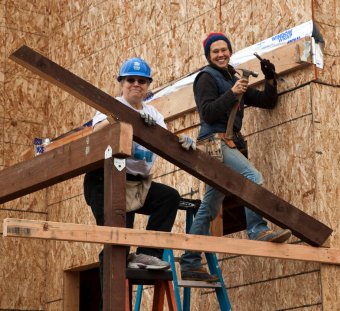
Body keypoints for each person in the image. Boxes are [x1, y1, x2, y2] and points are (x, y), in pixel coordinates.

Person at [180, 32, 292, 282]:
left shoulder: (232, 76)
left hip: (227, 144)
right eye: (215, 51)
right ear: (208, 56)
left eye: (224, 50)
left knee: (209, 206)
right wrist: (232, 93)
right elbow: (208, 114)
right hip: (213, 144)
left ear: (230, 51)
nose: (221, 54)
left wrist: (270, 77)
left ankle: (189, 262)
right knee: (253, 177)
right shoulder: (206, 78)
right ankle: (257, 229)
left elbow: (267, 102)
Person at [83, 58, 180, 293]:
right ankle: (110, 304)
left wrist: (180, 142)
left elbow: (167, 144)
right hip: (106, 181)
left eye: (142, 81)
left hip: (137, 184)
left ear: (147, 86)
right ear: (122, 83)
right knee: (118, 243)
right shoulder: (111, 106)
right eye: (131, 80)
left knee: (169, 198)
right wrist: (121, 118)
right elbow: (96, 132)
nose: (136, 84)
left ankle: (148, 254)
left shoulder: (154, 115)